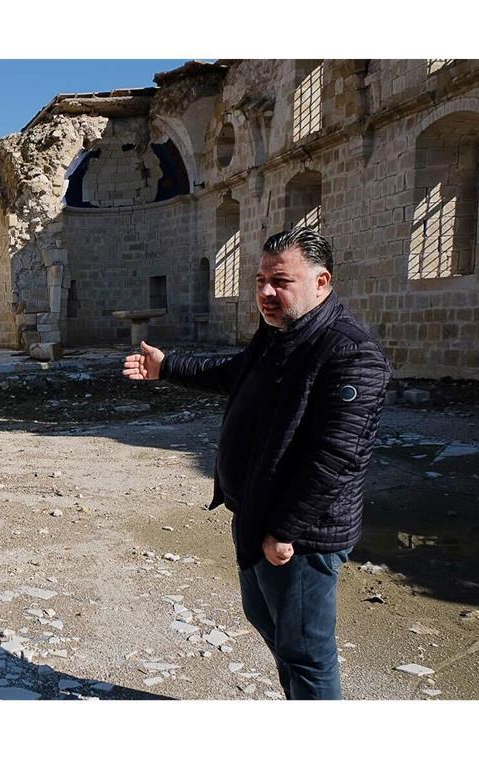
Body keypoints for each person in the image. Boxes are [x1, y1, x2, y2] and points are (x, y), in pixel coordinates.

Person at [123, 227, 391, 700]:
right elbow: (234, 375)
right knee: (271, 626)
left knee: (307, 652)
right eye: (260, 279)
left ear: (322, 282)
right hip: (254, 516)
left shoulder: (349, 353)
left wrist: (286, 530)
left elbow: (337, 457)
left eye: (281, 281)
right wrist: (167, 368)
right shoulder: (278, 334)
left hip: (301, 535)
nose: (266, 292)